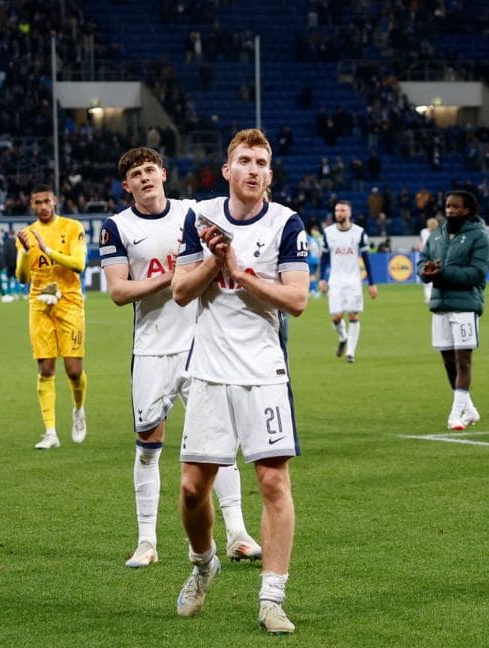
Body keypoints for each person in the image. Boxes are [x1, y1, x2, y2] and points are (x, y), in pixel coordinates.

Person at [171, 128, 309, 634]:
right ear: (227, 170)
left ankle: (272, 598)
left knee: (273, 481)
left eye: (261, 163)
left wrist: (239, 269)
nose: (253, 170)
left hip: (263, 371)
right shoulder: (199, 218)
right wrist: (213, 258)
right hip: (208, 370)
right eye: (244, 161)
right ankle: (204, 563)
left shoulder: (285, 223)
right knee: (191, 489)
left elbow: (296, 300)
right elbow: (181, 292)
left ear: (270, 175)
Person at [100, 146, 262, 570]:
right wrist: (171, 276)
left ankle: (239, 534)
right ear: (127, 185)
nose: (145, 178)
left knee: (216, 447)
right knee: (149, 447)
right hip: (152, 347)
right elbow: (118, 292)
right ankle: (146, 541)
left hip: (201, 344)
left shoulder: (192, 214)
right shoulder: (117, 226)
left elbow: (233, 241)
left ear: (164, 174)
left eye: (150, 169)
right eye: (136, 174)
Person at [16, 185, 89, 449]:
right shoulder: (26, 235)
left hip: (69, 301)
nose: (43, 206)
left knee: (73, 370)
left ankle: (78, 410)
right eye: (38, 202)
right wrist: (26, 252)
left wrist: (48, 250)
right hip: (39, 303)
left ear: (54, 201)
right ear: (31, 204)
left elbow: (79, 264)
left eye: (47, 201)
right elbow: (22, 277)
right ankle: (50, 433)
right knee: (46, 368)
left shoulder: (72, 227)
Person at [418, 190, 489, 430]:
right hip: (440, 304)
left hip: (465, 305)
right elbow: (423, 259)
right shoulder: (437, 234)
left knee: (463, 362)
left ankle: (455, 414)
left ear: (467, 210)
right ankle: (468, 409)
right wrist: (425, 270)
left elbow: (478, 273)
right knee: (448, 361)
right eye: (448, 206)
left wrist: (442, 274)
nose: (450, 210)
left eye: (455, 206)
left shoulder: (479, 236)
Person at [321, 200, 378, 363]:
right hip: (336, 281)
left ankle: (351, 352)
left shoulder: (359, 233)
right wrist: (323, 279)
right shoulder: (328, 233)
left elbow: (366, 259)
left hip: (354, 281)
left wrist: (372, 283)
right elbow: (324, 258)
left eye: (343, 210)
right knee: (336, 318)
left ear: (349, 213)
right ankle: (343, 338)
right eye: (337, 210)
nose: (339, 213)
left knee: (353, 315)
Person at [419, 216, 438, 303]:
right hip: (426, 257)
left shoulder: (439, 233)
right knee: (426, 276)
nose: (431, 226)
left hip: (435, 257)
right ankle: (428, 297)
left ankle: (434, 296)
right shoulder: (423, 232)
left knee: (435, 276)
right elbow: (420, 242)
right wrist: (421, 250)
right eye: (431, 224)